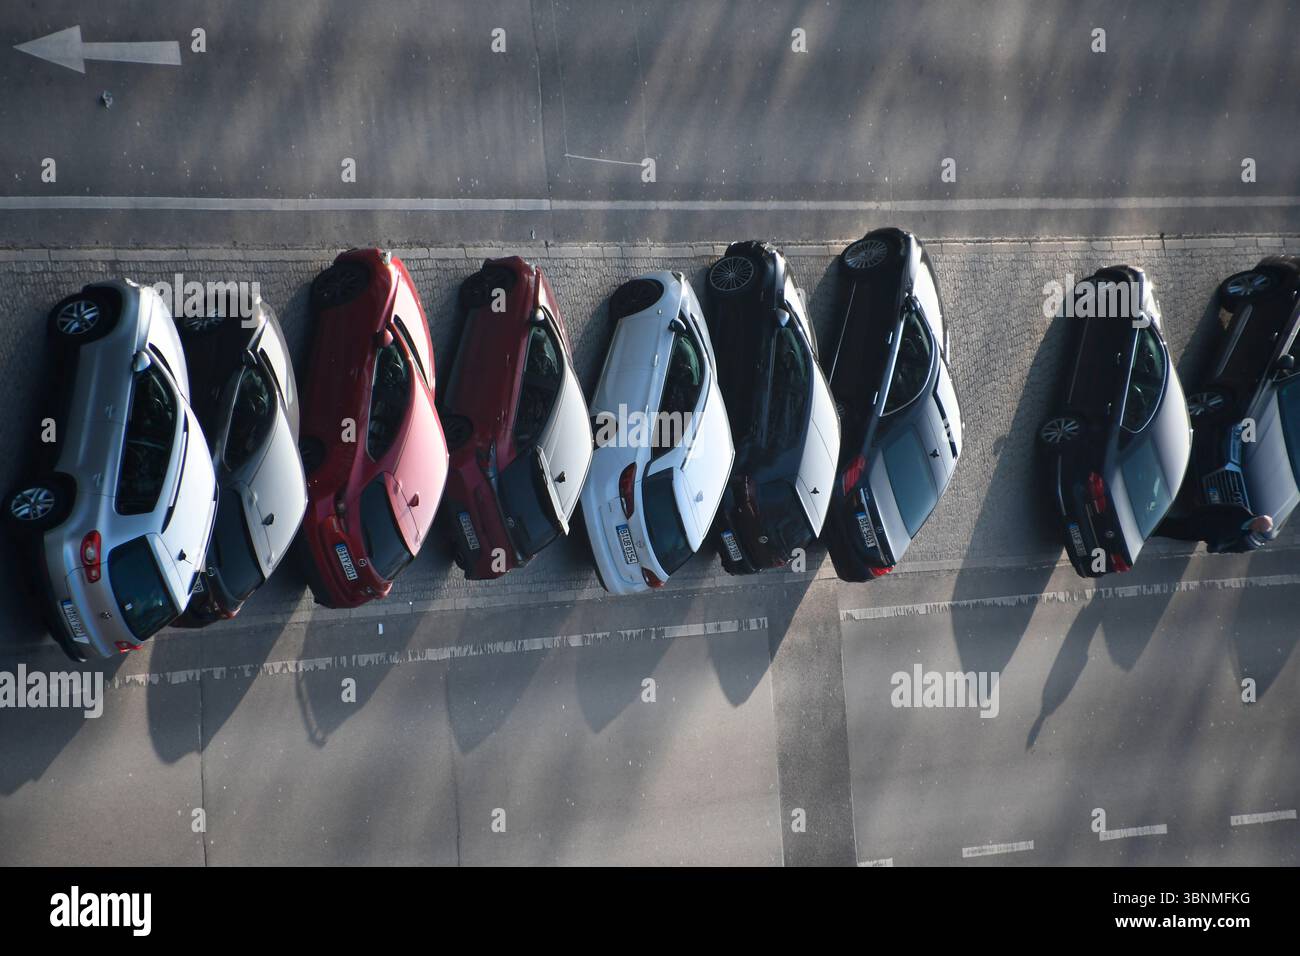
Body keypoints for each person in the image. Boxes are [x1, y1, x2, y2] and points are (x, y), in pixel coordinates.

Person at [1158, 505, 1275, 554]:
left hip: (1200, 535)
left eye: (1260, 530)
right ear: (1258, 519)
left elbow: (1230, 545)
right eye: (1259, 527)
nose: (1257, 529)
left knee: (1172, 533)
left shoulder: (1245, 533)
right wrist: (1197, 512)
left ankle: (1153, 531)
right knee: (1171, 524)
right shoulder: (1241, 511)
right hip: (1199, 521)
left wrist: (1218, 548)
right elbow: (1218, 508)